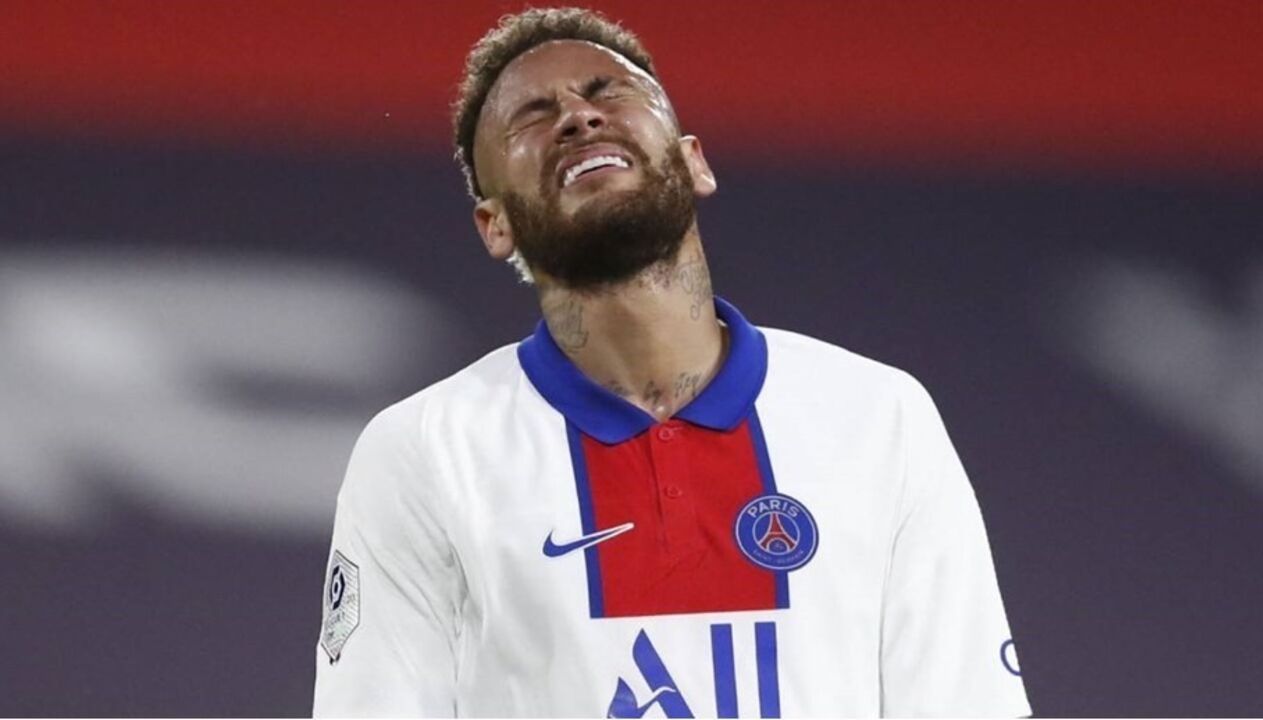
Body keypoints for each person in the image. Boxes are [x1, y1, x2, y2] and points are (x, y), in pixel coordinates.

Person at [313, 7, 1031, 717]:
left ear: (694, 161)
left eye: (606, 92)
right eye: (534, 114)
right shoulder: (426, 451)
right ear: (494, 224)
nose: (578, 117)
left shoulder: (876, 417)